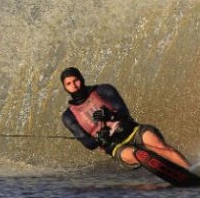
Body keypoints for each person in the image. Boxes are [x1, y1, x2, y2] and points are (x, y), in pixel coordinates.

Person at [60, 67, 191, 169]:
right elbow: (88, 144)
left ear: (81, 79)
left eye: (75, 80)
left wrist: (110, 115)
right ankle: (172, 169)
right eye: (69, 83)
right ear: (65, 87)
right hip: (116, 146)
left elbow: (124, 111)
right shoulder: (69, 116)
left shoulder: (103, 90)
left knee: (162, 149)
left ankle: (192, 171)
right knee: (140, 155)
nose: (74, 85)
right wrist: (100, 138)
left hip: (134, 131)